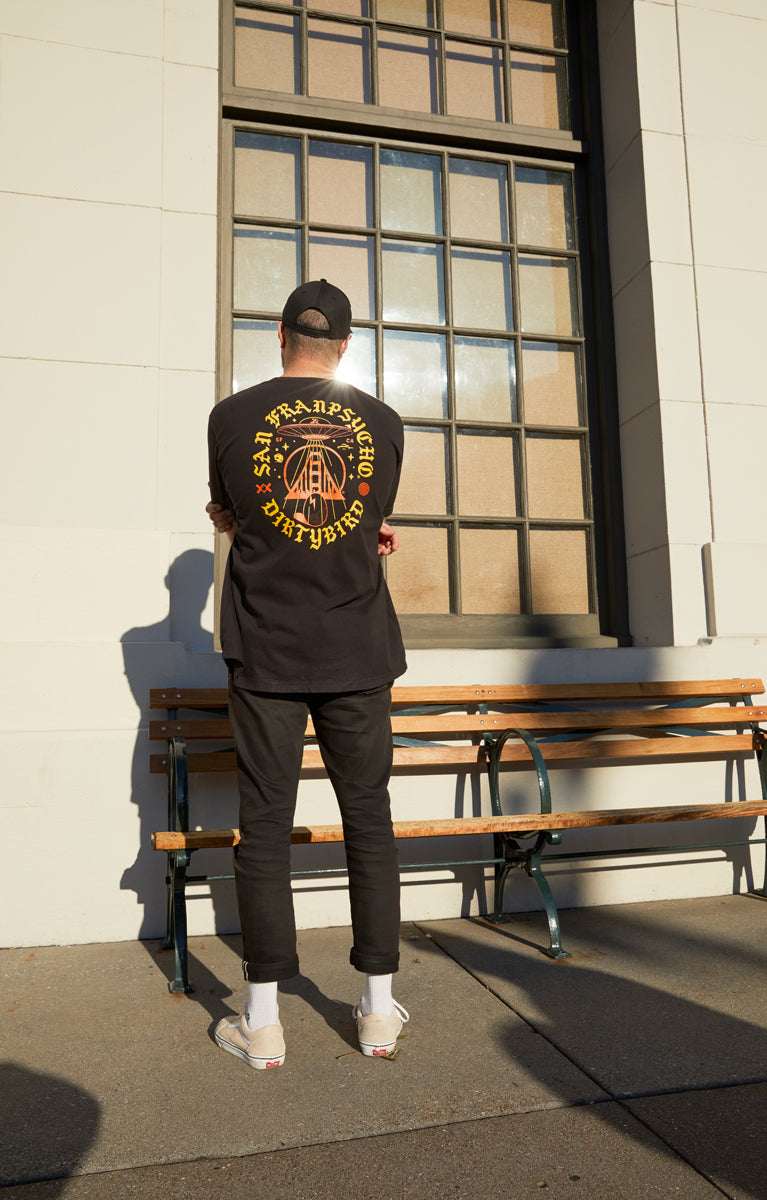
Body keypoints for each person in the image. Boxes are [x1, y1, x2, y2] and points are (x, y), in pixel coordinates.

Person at [206, 279, 408, 1069]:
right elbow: (368, 515)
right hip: (357, 647)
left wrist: (238, 519)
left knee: (263, 825)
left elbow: (231, 510)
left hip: (266, 650)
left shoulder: (229, 418)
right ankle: (378, 1010)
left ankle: (262, 1022)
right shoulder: (385, 424)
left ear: (280, 334)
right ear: (347, 346)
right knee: (370, 819)